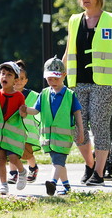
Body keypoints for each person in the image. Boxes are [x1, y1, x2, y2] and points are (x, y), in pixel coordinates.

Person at [65, 0, 112, 186]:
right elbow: (69, 51)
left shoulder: (111, 21)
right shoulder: (75, 20)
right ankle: (90, 163)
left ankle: (100, 173)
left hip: (105, 83)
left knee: (99, 123)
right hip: (78, 82)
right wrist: (58, 73)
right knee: (78, 127)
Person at [27, 56, 84, 196]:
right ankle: (67, 187)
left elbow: (77, 114)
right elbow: (35, 110)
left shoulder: (70, 95)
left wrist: (81, 131)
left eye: (56, 78)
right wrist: (24, 109)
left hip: (64, 138)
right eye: (49, 78)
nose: (52, 81)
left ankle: (52, 182)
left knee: (57, 161)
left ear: (64, 75)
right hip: (49, 138)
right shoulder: (44, 93)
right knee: (59, 162)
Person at [0, 61, 29, 195]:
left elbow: (23, 114)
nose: (5, 76)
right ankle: (3, 185)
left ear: (15, 80)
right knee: (1, 160)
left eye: (9, 75)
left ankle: (22, 171)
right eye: (3, 74)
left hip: (12, 136)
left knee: (14, 158)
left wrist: (23, 111)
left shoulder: (19, 96)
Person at [8, 60, 40, 186]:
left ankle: (33, 168)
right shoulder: (7, 94)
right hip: (12, 131)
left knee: (27, 154)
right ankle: (13, 173)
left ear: (26, 81)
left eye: (22, 79)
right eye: (16, 78)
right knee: (12, 152)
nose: (18, 81)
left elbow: (38, 112)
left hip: (28, 133)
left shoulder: (33, 96)